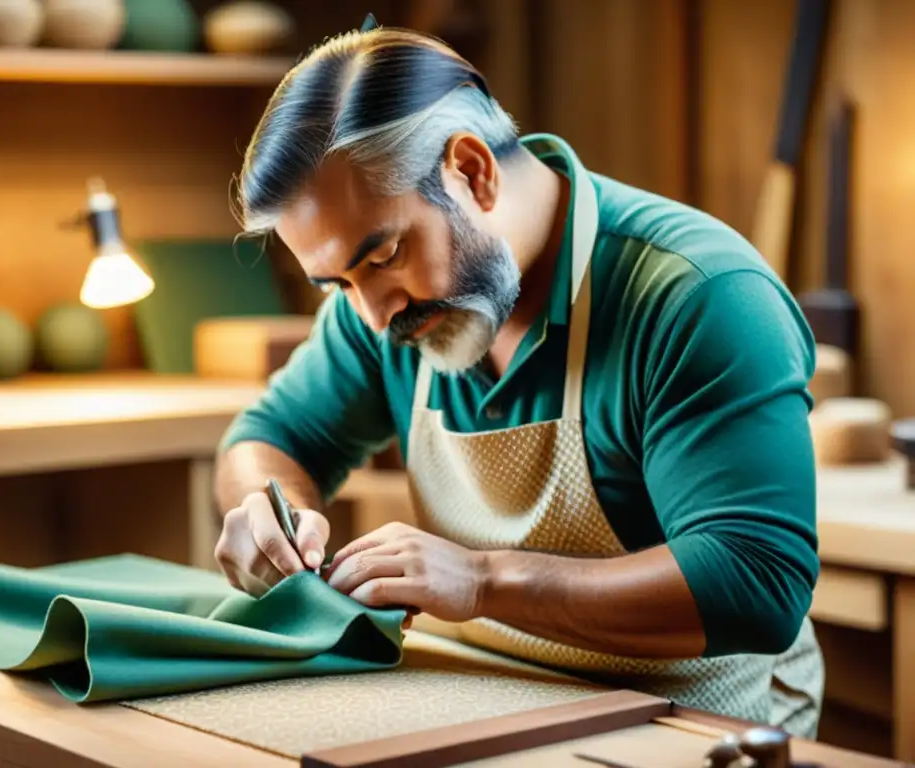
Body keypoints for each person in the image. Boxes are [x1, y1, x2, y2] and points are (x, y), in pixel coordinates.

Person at [212, 22, 825, 737]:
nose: (374, 319)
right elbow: (269, 436)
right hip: (480, 698)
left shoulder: (699, 294)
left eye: (383, 258)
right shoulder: (381, 306)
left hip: (694, 719)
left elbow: (754, 581)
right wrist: (268, 512)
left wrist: (482, 581)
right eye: (335, 283)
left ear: (471, 171)